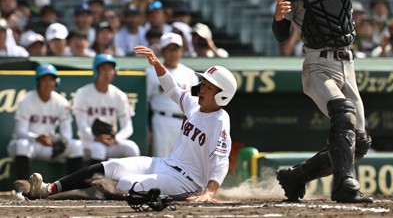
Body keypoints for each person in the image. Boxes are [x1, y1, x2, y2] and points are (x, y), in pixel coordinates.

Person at [27, 46, 237, 203]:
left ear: (223, 96)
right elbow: (173, 89)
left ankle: (84, 194)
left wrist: (209, 192)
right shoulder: (193, 105)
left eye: (209, 88)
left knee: (128, 184)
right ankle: (47, 189)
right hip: (164, 164)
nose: (202, 89)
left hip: (188, 182)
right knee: (111, 166)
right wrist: (157, 64)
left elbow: (221, 161)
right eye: (204, 84)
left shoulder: (220, 121)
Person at [272, 0, 389, 203]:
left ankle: (296, 177)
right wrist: (278, 17)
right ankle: (343, 187)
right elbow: (281, 34)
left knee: (359, 142)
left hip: (348, 63)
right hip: (318, 64)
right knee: (343, 111)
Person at [7, 64, 83, 180]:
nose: (48, 83)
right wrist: (36, 137)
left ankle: (73, 187)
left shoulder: (61, 102)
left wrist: (60, 142)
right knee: (22, 144)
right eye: (44, 79)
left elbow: (67, 134)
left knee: (76, 146)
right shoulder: (27, 100)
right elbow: (20, 131)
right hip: (29, 144)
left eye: (51, 80)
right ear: (38, 82)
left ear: (56, 82)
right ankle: (22, 189)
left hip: (49, 145)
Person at [72, 54, 140, 164]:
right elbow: (82, 126)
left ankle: (129, 180)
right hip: (89, 141)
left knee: (132, 148)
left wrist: (116, 138)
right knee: (98, 148)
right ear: (96, 70)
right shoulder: (83, 93)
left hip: (112, 141)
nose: (107, 72)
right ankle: (95, 181)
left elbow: (128, 127)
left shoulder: (119, 95)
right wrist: (96, 137)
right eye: (103, 69)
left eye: (110, 69)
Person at [146, 32, 199, 157]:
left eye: (175, 49)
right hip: (162, 120)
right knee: (161, 161)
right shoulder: (151, 72)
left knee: (184, 162)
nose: (173, 53)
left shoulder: (189, 74)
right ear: (162, 51)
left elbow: (196, 103)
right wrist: (147, 128)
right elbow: (145, 102)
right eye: (169, 49)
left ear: (181, 50)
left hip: (185, 122)